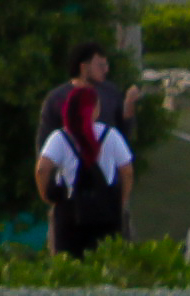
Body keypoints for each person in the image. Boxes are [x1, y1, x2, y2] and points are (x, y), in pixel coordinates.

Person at [37, 81, 136, 256]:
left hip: (69, 213)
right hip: (105, 212)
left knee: (69, 268)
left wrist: (46, 195)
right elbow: (127, 171)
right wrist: (122, 200)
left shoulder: (60, 137)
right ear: (95, 109)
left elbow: (42, 170)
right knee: (105, 263)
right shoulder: (110, 135)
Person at [36, 42, 132, 150]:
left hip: (107, 162)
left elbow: (124, 133)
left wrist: (129, 103)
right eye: (100, 65)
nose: (106, 70)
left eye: (106, 65)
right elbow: (44, 142)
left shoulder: (111, 92)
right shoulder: (56, 98)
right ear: (84, 67)